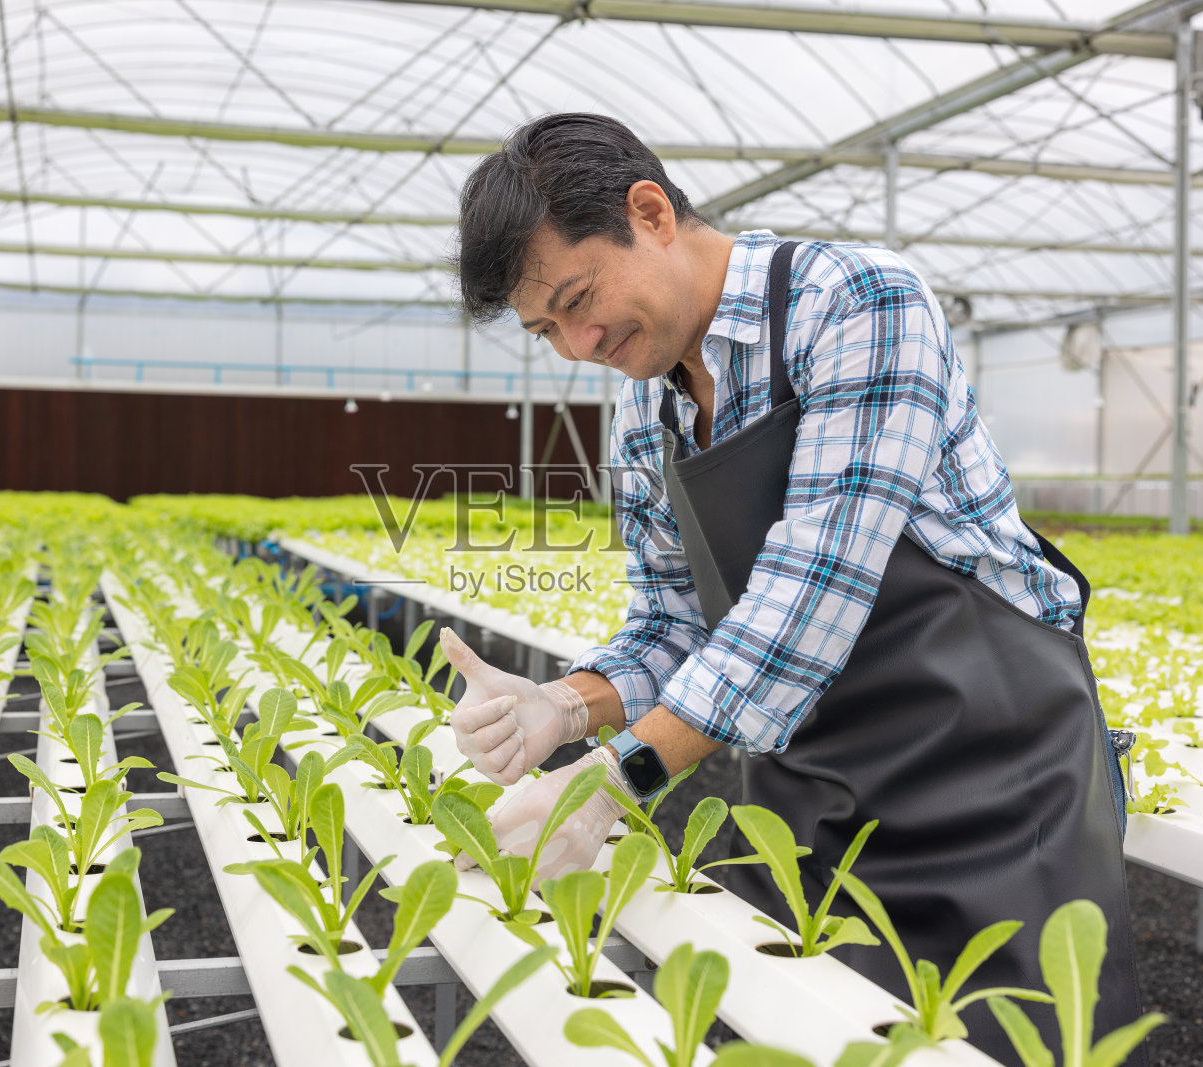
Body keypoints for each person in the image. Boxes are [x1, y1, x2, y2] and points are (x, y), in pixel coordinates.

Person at [436, 112, 1147, 1064]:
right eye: (545, 328)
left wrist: (623, 773)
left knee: (1032, 1041)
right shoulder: (646, 407)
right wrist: (563, 705)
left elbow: (815, 584)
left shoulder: (856, 303)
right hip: (818, 784)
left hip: (993, 769)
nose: (577, 340)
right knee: (828, 1035)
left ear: (648, 212)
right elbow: (671, 623)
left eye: (578, 297)